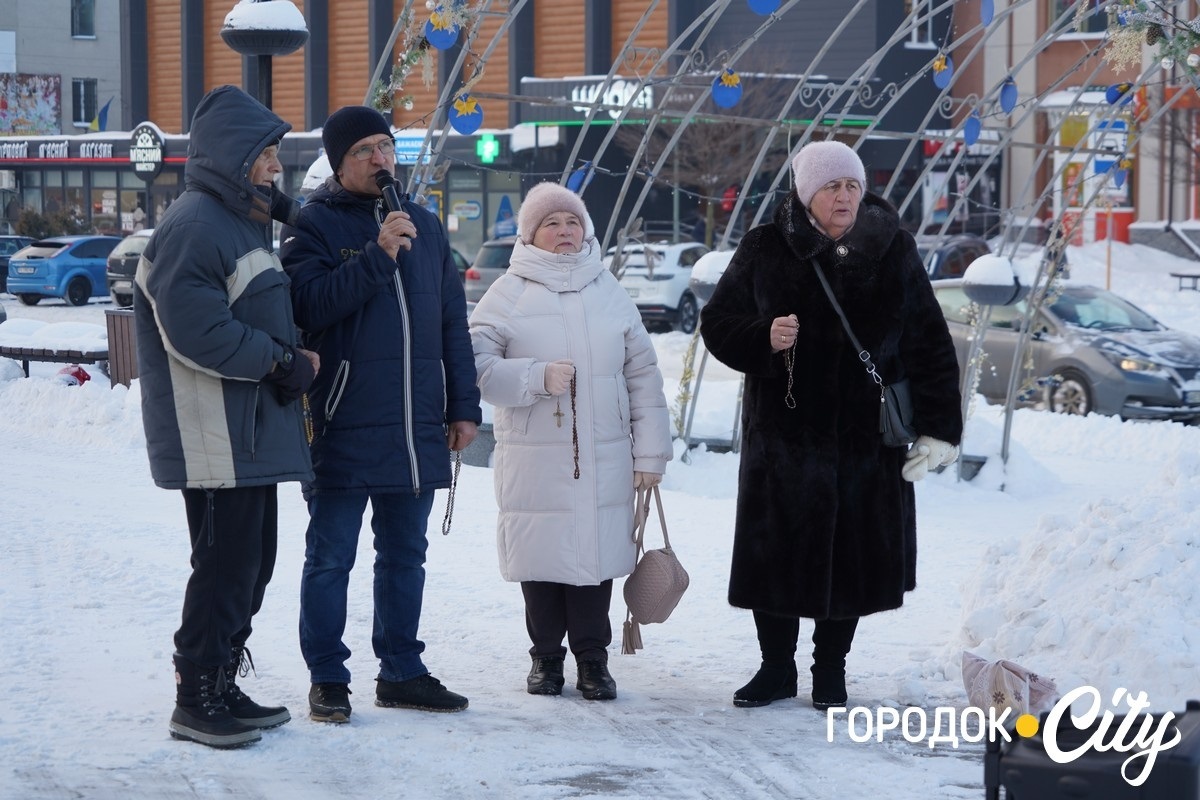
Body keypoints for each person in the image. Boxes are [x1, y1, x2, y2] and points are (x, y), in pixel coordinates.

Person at [699, 140, 963, 710]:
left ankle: (830, 669)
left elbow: (930, 344)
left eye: (851, 186)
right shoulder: (766, 247)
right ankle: (776, 669)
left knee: (852, 559)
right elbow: (717, 322)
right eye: (830, 187)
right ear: (805, 192)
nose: (843, 196)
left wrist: (940, 428)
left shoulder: (893, 249)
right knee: (776, 556)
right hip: (784, 439)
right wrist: (762, 337)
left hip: (865, 441)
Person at [279, 105, 481, 723]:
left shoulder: (423, 224)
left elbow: (452, 321)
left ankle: (401, 670)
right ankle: (328, 678)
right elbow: (308, 306)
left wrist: (463, 404)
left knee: (405, 556)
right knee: (331, 557)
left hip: (415, 428)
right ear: (338, 161)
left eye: (385, 147)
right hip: (341, 422)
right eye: (364, 148)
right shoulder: (311, 227)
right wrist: (376, 255)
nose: (379, 158)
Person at [135, 85, 318, 749]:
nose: (275, 166)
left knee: (252, 562)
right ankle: (197, 695)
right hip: (211, 433)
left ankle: (221, 677)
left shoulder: (238, 222)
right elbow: (198, 332)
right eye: (266, 154)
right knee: (223, 566)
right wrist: (280, 363)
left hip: (245, 432)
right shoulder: (193, 227)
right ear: (233, 157)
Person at [469, 183, 673, 701]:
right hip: (533, 457)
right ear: (531, 234)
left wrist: (650, 454)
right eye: (552, 224)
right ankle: (545, 659)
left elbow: (643, 377)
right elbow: (473, 368)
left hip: (605, 456)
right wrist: (536, 377)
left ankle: (593, 660)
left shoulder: (608, 289)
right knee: (540, 562)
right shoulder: (507, 291)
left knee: (594, 561)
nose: (564, 232)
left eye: (572, 223)